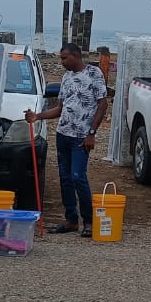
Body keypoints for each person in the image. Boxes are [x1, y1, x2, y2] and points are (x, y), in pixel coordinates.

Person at [25, 43, 108, 237]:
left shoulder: (94, 74)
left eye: (64, 58)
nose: (61, 62)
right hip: (64, 134)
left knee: (78, 177)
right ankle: (71, 219)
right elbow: (60, 109)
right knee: (65, 178)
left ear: (76, 56)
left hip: (81, 136)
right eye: (61, 58)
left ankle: (88, 221)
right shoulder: (66, 77)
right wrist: (38, 116)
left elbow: (102, 104)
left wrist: (92, 133)